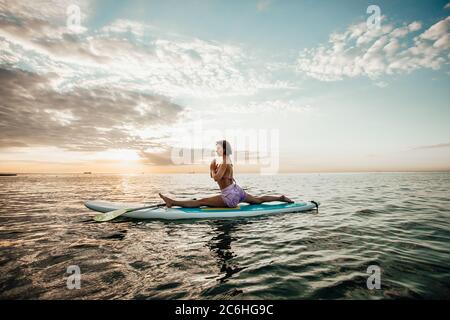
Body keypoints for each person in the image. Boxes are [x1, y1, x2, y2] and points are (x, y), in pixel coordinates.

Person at [159, 140, 293, 208]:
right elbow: (221, 177)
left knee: (201, 201)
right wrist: (213, 169)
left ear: (223, 149)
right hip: (236, 191)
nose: (216, 149)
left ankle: (172, 202)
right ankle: (280, 198)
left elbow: (216, 177)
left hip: (230, 195)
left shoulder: (224, 161)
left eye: (218, 147)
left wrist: (211, 168)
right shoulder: (226, 161)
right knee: (257, 200)